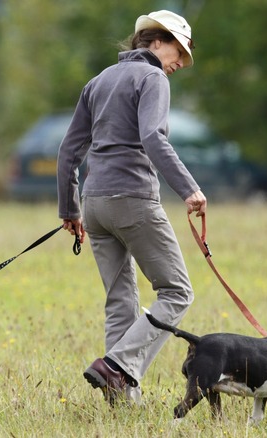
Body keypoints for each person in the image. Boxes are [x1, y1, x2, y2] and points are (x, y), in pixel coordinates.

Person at [56, 10, 207, 405]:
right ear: (156, 40)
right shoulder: (152, 77)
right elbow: (153, 137)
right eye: (179, 50)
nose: (179, 62)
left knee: (120, 300)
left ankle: (122, 400)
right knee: (177, 291)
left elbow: (69, 151)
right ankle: (118, 366)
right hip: (133, 200)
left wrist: (70, 210)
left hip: (95, 205)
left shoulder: (98, 80)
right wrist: (189, 188)